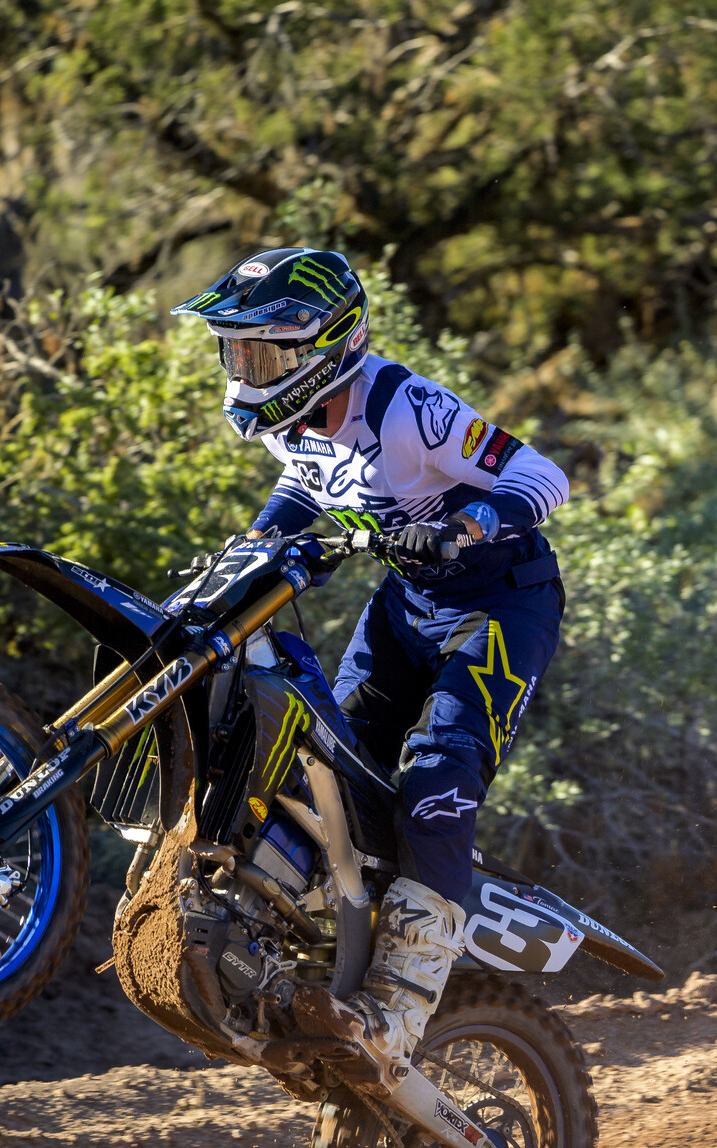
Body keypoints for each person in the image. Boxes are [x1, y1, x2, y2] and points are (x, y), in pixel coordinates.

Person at [171, 247, 568, 1090]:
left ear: (327, 344)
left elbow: (543, 475)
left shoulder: (409, 409)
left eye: (263, 354)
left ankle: (402, 1004)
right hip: (407, 606)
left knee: (435, 781)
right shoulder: (297, 416)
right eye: (237, 353)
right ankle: (304, 933)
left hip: (500, 604)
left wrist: (463, 529)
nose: (246, 371)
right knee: (324, 761)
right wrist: (247, 555)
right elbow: (305, 492)